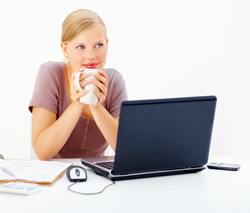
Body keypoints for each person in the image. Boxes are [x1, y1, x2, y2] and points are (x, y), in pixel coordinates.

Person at [29, 9, 128, 160]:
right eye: (80, 47)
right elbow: (42, 152)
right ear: (65, 50)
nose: (91, 56)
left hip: (96, 174)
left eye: (98, 45)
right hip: (54, 174)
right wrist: (77, 104)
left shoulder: (114, 81)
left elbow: (125, 150)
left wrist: (96, 106)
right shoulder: (50, 74)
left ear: (107, 45)